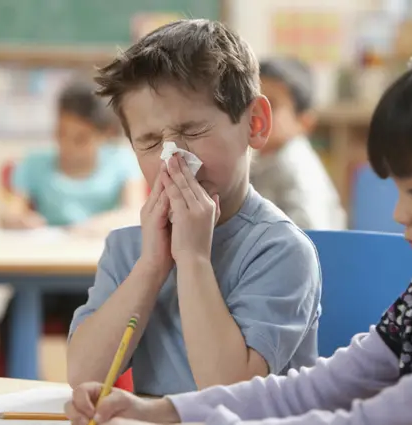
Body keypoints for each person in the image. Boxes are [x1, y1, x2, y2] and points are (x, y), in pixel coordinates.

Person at [65, 39, 412, 424]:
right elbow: (319, 387)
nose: (399, 215)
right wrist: (164, 412)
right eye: (150, 140)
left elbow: (365, 421)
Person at [66, 19, 322, 397]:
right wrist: (151, 266)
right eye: (151, 141)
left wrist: (192, 259)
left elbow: (230, 394)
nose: (174, 160)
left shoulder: (281, 251)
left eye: (193, 131)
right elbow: (83, 376)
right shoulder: (130, 249)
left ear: (255, 123)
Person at [0, 79, 145, 377]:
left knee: (91, 322)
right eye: (61, 134)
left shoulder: (121, 162)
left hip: (95, 280)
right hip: (41, 277)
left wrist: (90, 226)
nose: (67, 146)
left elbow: (134, 212)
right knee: (12, 321)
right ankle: (19, 390)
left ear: (104, 135)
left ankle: (93, 391)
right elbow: (9, 212)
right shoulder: (36, 163)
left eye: (81, 138)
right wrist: (19, 219)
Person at [250, 57, 346, 230]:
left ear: (304, 122)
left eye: (272, 104)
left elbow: (313, 235)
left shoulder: (297, 168)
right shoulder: (262, 160)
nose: (256, 112)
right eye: (252, 102)